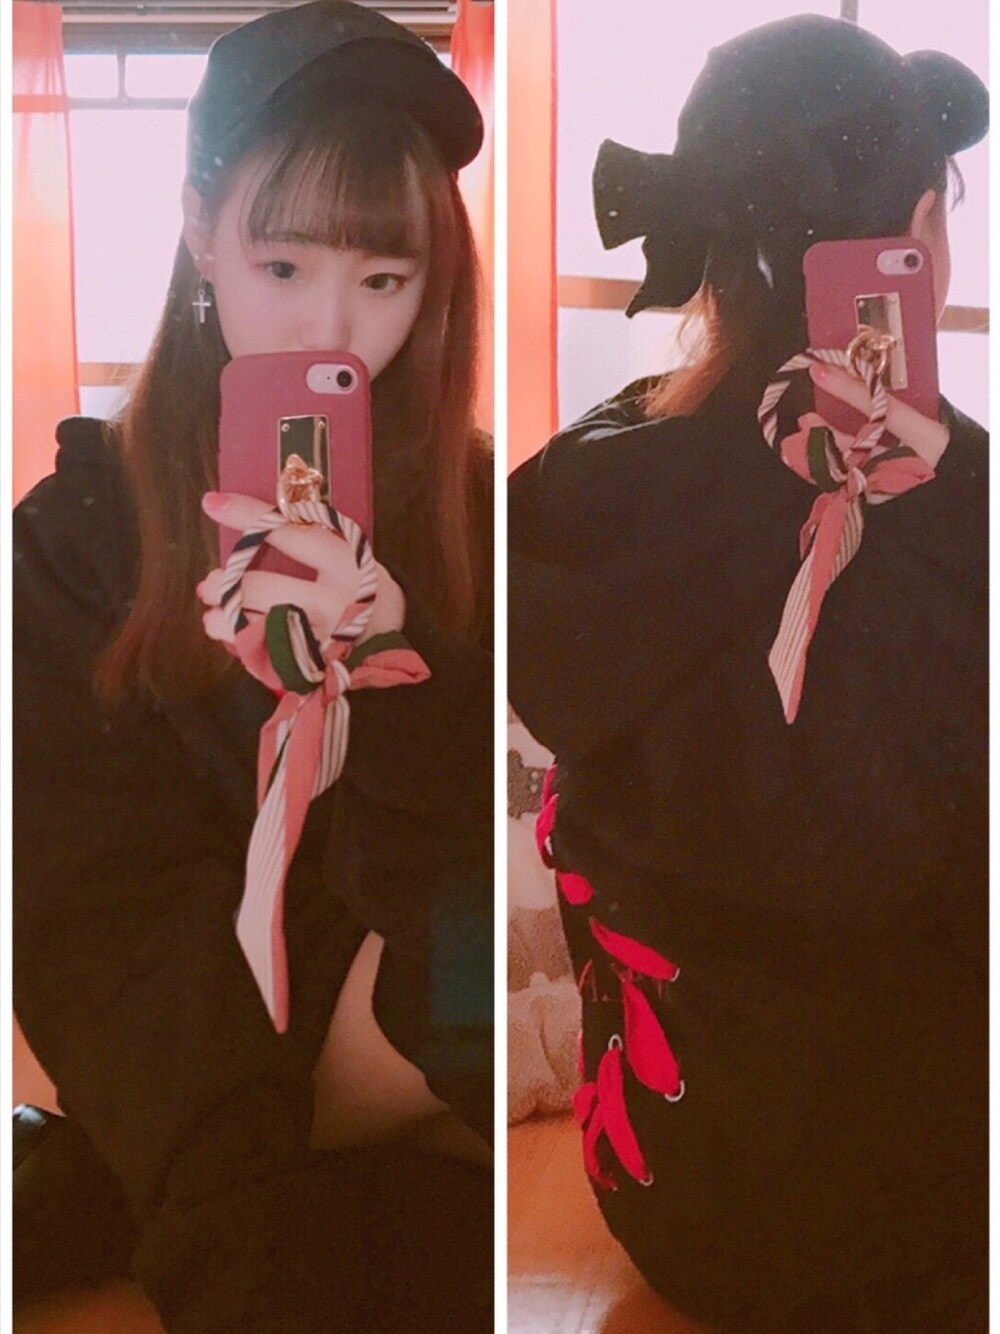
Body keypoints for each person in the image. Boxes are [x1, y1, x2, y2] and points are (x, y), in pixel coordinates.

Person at [13, 3, 493, 1330]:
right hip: (190, 1047)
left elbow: (468, 895)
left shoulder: (469, 511)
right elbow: (92, 920)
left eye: (384, 281)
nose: (331, 328)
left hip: (391, 1019)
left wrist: (394, 663)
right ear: (199, 231)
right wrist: (226, 1185)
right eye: (283, 265)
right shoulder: (77, 535)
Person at [509, 16, 987, 1333]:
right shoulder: (966, 508)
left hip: (678, 1201)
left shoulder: (577, 494)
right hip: (939, 1227)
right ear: (916, 238)